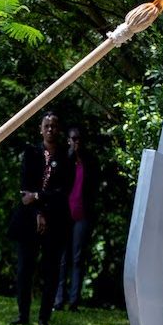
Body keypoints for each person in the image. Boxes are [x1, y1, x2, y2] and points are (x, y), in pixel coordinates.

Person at [9, 111, 73, 325]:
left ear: (59, 129)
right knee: (24, 269)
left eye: (54, 126)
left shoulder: (67, 157)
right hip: (28, 219)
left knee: (51, 270)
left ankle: (44, 317)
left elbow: (63, 190)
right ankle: (23, 315)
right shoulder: (31, 153)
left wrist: (38, 197)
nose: (50, 129)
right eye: (46, 126)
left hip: (57, 220)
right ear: (40, 129)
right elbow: (25, 188)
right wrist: (37, 212)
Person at [54, 126, 99, 312]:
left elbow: (94, 189)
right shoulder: (64, 160)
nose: (76, 142)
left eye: (79, 139)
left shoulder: (90, 162)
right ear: (68, 140)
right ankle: (59, 300)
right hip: (65, 214)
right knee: (62, 259)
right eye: (73, 139)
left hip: (82, 215)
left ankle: (74, 301)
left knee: (78, 258)